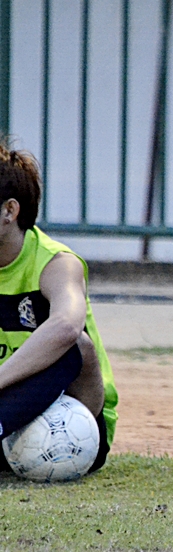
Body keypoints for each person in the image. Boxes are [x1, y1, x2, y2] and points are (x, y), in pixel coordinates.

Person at [0, 142, 118, 474]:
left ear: (9, 211)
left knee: (75, 343)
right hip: (9, 417)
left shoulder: (56, 262)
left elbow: (66, 326)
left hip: (76, 423)